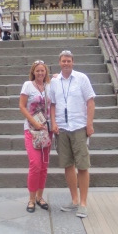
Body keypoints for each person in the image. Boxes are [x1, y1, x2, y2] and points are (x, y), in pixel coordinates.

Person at [50, 49, 96, 219]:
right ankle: (74, 199)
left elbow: (90, 102)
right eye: (63, 61)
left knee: (82, 165)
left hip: (78, 126)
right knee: (68, 164)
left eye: (69, 60)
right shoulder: (55, 81)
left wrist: (89, 124)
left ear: (73, 62)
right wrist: (53, 123)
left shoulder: (82, 78)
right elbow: (53, 104)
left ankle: (83, 203)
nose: (66, 63)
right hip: (62, 128)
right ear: (59, 62)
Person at [19, 60, 52, 213]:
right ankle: (31, 199)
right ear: (33, 72)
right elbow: (22, 106)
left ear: (46, 72)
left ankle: (40, 196)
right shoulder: (28, 85)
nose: (40, 73)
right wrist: (33, 121)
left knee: (44, 165)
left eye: (42, 70)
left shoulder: (49, 86)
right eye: (37, 71)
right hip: (31, 130)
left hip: (46, 130)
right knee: (35, 164)